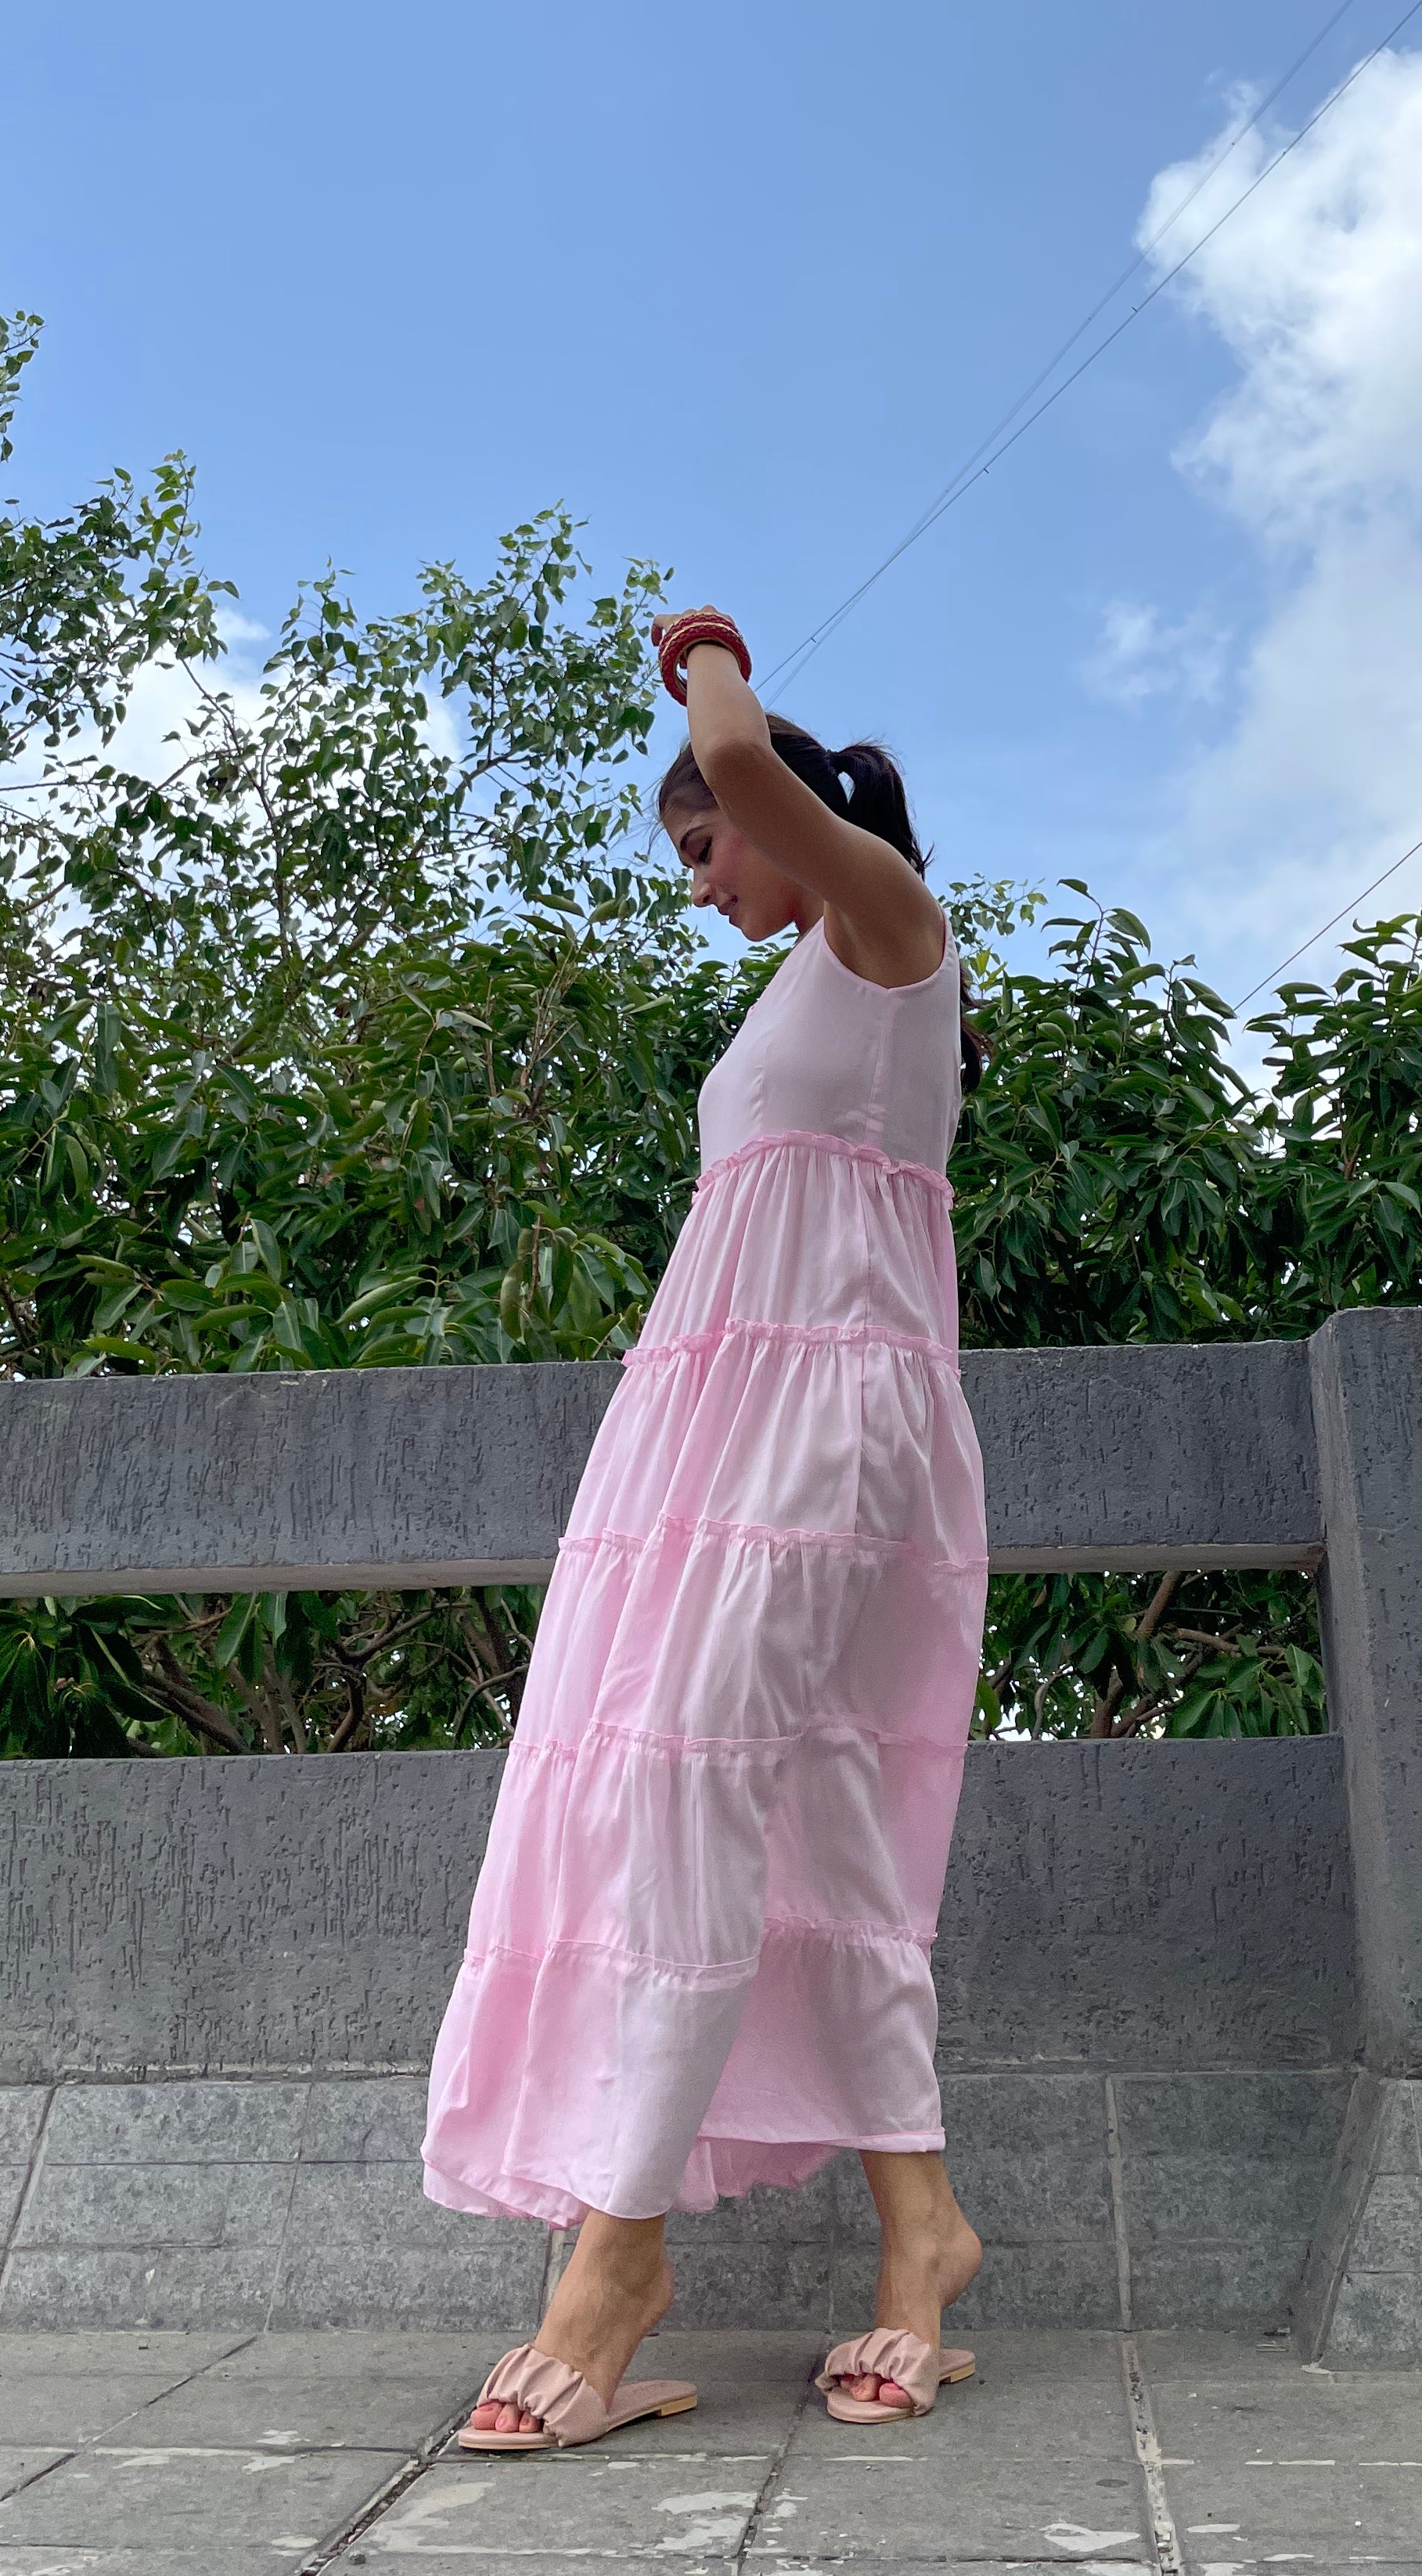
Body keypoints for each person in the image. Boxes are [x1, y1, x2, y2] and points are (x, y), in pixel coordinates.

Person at [421, 601, 989, 2451]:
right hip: (710, 1423)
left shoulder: (894, 933)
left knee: (686, 1773)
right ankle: (925, 2243)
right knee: (805, 1807)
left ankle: (617, 2259)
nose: (698, 880)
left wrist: (709, 655)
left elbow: (745, 756)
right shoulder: (780, 1002)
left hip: (831, 1418)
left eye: (700, 848)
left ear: (788, 815)